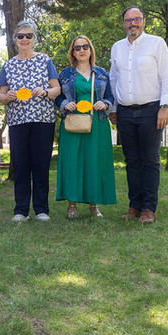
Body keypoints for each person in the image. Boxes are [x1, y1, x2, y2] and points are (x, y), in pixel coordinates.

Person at [109, 7, 168, 224]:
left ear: (144, 21)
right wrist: (114, 108)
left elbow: (167, 76)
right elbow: (113, 79)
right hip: (125, 112)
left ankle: (148, 208)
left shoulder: (156, 44)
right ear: (123, 23)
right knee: (132, 161)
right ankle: (134, 206)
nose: (133, 24)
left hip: (151, 110)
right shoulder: (117, 48)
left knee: (150, 160)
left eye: (137, 19)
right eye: (128, 20)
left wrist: (165, 105)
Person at [0, 20, 61, 222]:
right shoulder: (9, 64)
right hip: (18, 121)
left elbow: (56, 89)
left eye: (29, 36)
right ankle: (21, 210)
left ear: (34, 39)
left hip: (43, 120)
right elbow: (1, 95)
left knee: (41, 164)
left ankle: (41, 209)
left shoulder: (45, 60)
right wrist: (7, 97)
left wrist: (45, 92)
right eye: (21, 36)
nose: (25, 39)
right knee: (22, 165)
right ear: (15, 39)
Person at [55, 36, 116, 219]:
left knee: (94, 162)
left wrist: (104, 103)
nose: (81, 50)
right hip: (73, 123)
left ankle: (93, 204)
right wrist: (65, 103)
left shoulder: (102, 73)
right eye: (77, 48)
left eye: (85, 47)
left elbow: (111, 97)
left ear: (91, 50)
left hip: (97, 123)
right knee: (72, 162)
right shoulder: (65, 74)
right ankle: (71, 205)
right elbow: (57, 97)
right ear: (72, 52)